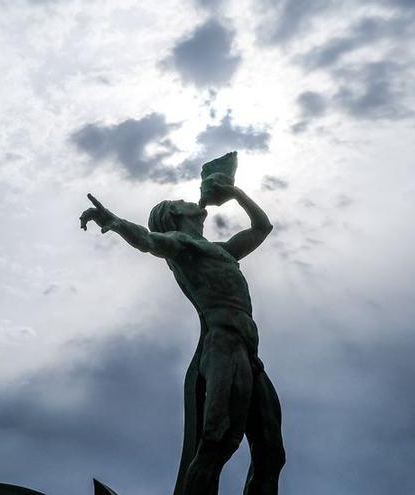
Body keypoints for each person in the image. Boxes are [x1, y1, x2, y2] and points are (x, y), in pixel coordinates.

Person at [79, 152, 285, 495]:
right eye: (182, 201)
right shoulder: (181, 245)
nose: (192, 200)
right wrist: (114, 221)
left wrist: (236, 194)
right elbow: (147, 240)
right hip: (224, 346)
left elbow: (262, 228)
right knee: (217, 441)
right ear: (174, 215)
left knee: (271, 453)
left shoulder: (223, 251)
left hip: (249, 353)